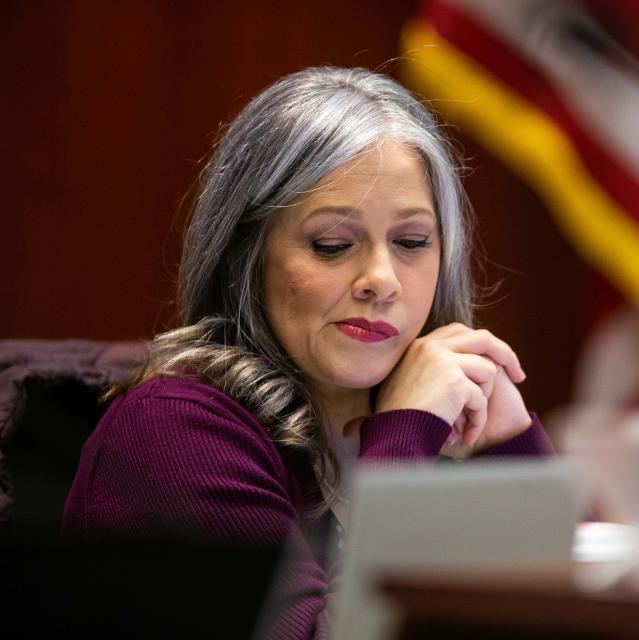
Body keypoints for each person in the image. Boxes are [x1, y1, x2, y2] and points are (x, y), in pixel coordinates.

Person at [61, 67, 553, 638]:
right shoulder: (171, 432)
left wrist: (509, 450)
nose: (381, 279)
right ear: (244, 258)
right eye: (333, 245)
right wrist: (401, 443)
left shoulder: (446, 424)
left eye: (412, 242)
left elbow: (599, 620)